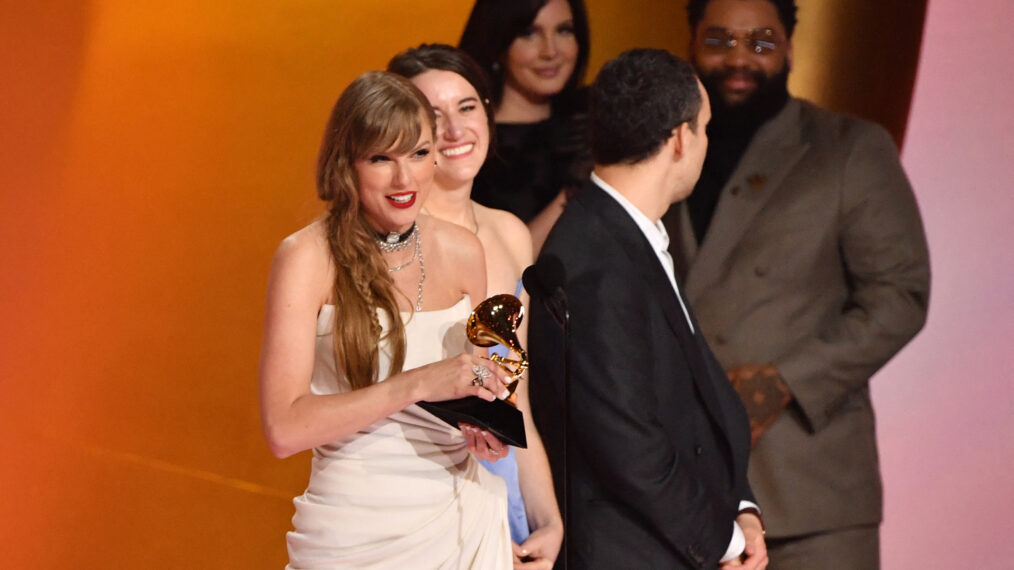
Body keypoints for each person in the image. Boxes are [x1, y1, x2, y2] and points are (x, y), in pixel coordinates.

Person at [662, 1, 931, 567]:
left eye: (760, 42)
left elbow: (900, 294)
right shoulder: (660, 151)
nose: (739, 58)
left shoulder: (849, 148)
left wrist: (787, 380)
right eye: (720, 40)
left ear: (789, 45)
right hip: (682, 485)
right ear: (692, 44)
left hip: (809, 487)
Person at [258, 70, 517, 569]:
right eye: (382, 159)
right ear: (346, 164)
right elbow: (283, 428)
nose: (405, 180)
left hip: (462, 524)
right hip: (356, 532)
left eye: (419, 154)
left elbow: (476, 388)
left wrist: (484, 426)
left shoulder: (465, 251)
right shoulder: (306, 258)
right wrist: (416, 384)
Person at [528, 49, 767, 569]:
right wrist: (724, 539)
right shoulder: (593, 259)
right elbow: (627, 442)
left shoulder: (627, 234)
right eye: (704, 128)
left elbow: (690, 399)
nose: (705, 142)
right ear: (681, 138)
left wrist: (742, 508)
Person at [387, 43, 564, 567]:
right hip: (423, 500)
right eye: (431, 115)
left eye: (467, 107)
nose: (454, 129)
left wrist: (547, 519)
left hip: (504, 491)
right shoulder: (391, 243)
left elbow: (517, 397)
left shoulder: (509, 232)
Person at [459, 0, 593, 252]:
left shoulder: (592, 115)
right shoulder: (472, 144)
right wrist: (572, 192)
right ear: (498, 42)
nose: (550, 51)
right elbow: (501, 265)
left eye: (564, 30)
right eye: (529, 34)